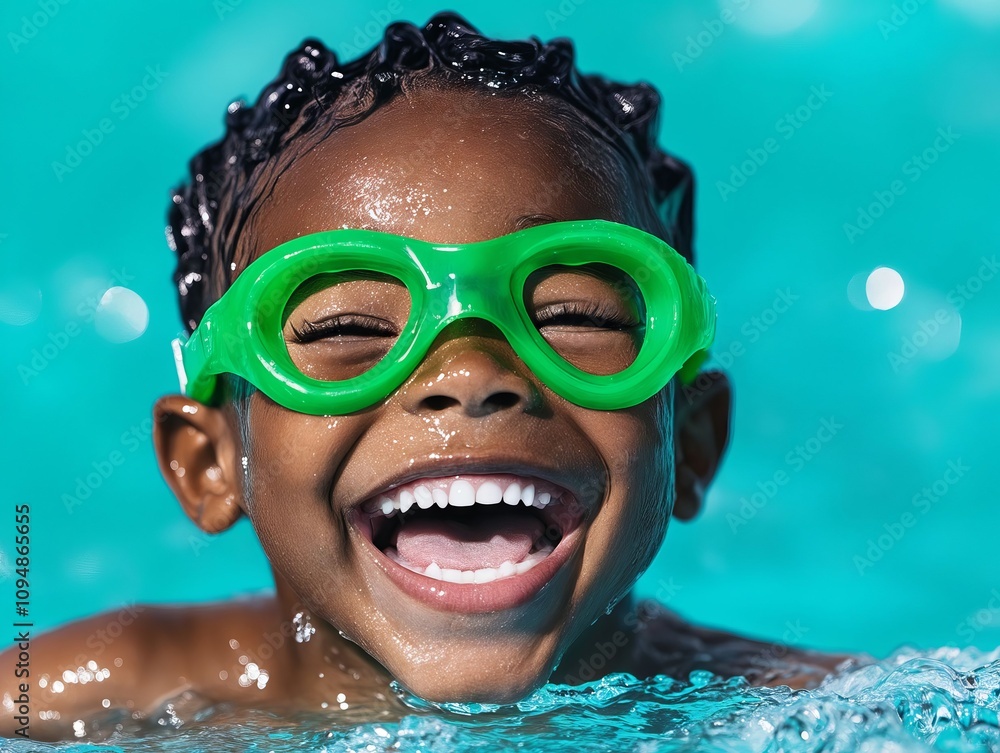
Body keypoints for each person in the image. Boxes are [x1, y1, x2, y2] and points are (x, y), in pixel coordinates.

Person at [0, 11, 851, 742]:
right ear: (210, 461)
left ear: (691, 443)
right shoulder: (102, 696)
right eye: (349, 328)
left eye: (572, 315)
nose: (471, 373)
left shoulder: (812, 715)